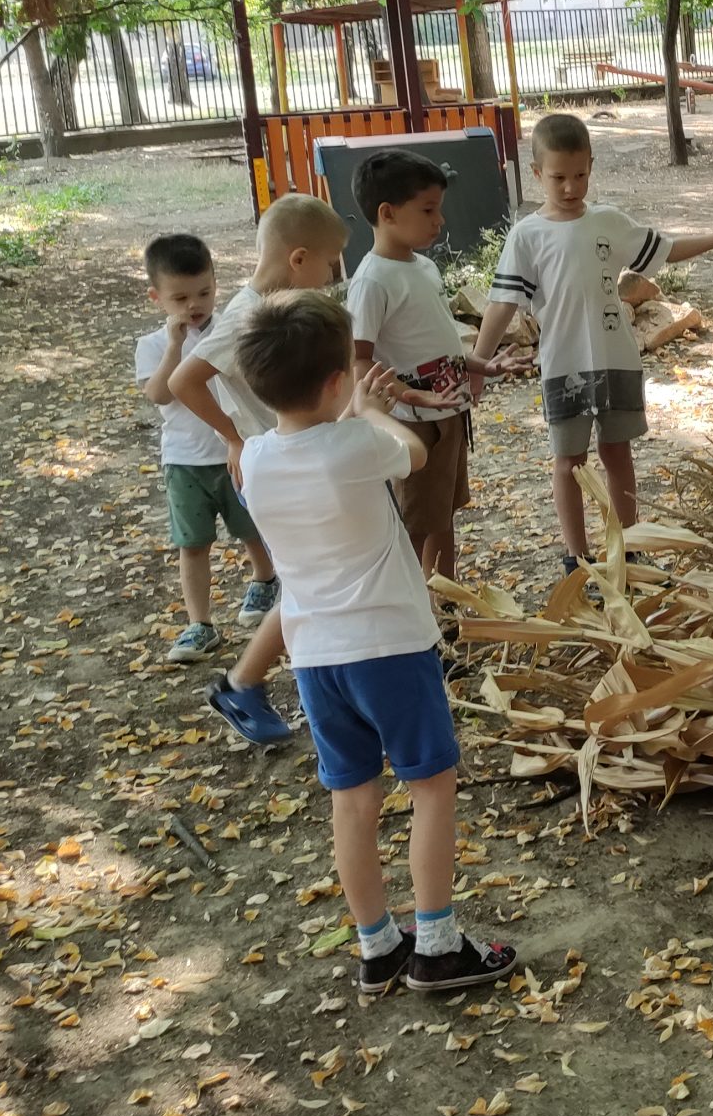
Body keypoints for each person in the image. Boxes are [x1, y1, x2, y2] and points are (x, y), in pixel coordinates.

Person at [234, 289, 517, 995]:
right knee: (431, 789)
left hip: (315, 658)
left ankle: (376, 944)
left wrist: (347, 406)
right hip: (390, 645)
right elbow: (415, 453)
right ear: (336, 379)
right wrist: (370, 407)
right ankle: (440, 943)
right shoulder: (354, 443)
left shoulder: (255, 461)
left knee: (352, 801)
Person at [473, 113, 713, 574]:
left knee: (618, 453)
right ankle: (576, 558)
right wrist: (477, 364)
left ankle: (629, 547)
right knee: (568, 461)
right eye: (558, 177)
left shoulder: (609, 222)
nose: (571, 187)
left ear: (591, 166)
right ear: (537, 174)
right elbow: (501, 303)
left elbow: (666, 249)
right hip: (563, 365)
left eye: (580, 175)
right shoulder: (527, 235)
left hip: (616, 357)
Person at [170, 193, 352, 743]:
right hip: (275, 469)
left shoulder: (271, 310)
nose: (332, 275)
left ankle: (257, 682)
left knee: (311, 578)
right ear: (298, 259)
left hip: (297, 461)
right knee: (307, 580)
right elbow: (183, 381)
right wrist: (234, 439)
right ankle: (245, 682)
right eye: (330, 263)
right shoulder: (247, 316)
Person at [345, 149, 502, 581]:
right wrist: (410, 395)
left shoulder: (426, 267)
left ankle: (446, 598)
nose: (441, 221)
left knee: (444, 513)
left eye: (440, 209)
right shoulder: (372, 281)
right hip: (412, 424)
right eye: (429, 210)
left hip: (448, 412)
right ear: (388, 213)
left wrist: (477, 364)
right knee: (415, 522)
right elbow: (360, 363)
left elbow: (432, 343)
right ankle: (413, 610)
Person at [134, 234, 277, 663]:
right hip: (185, 459)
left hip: (237, 452)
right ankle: (200, 624)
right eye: (180, 297)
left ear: (217, 284)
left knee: (252, 526)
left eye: (205, 293)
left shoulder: (233, 329)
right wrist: (176, 344)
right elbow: (159, 394)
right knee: (192, 543)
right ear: (156, 298)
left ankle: (265, 579)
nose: (194, 305)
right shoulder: (153, 346)